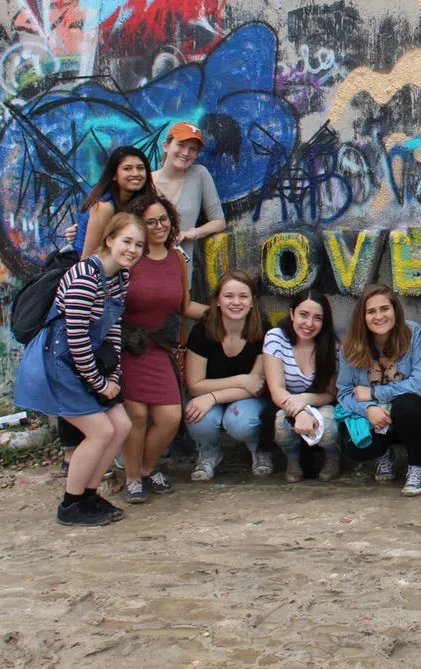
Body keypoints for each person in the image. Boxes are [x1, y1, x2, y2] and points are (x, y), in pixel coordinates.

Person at [13, 214, 145, 525]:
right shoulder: (85, 276)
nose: (133, 249)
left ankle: (88, 495)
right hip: (59, 362)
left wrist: (112, 375)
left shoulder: (120, 277)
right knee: (100, 431)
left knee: (121, 426)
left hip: (89, 362)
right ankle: (71, 505)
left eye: (139, 244)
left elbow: (112, 329)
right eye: (127, 241)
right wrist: (99, 384)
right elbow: (75, 340)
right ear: (109, 239)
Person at [58, 146, 154, 464]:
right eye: (127, 168)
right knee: (76, 362)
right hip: (85, 289)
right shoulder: (104, 207)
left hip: (105, 290)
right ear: (114, 172)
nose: (135, 174)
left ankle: (94, 452)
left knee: (99, 360)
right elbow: (86, 260)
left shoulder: (136, 205)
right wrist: (100, 298)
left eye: (140, 167)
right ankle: (74, 452)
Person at [116, 194, 207, 505]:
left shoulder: (176, 258)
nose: (158, 226)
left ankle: (146, 468)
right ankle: (131, 478)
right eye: (150, 221)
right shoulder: (129, 257)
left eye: (163, 219)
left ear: (172, 221)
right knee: (137, 415)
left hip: (158, 346)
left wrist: (221, 313)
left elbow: (184, 306)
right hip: (128, 345)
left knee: (170, 416)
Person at [336, 284, 421, 496]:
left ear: (395, 310)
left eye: (384, 309)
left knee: (409, 404)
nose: (379, 316)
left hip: (406, 415)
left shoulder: (412, 332)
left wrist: (374, 394)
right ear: (363, 316)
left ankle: (416, 468)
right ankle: (383, 454)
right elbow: (343, 393)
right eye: (371, 311)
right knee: (355, 448)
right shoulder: (350, 347)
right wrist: (369, 409)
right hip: (374, 417)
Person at [184, 270, 272, 482]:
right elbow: (194, 385)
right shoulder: (201, 332)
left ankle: (258, 449)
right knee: (199, 417)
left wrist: (212, 396)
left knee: (240, 422)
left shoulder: (263, 330)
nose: (236, 302)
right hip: (217, 393)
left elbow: (257, 386)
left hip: (249, 399)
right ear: (217, 302)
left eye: (243, 296)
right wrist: (241, 380)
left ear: (252, 302)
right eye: (228, 296)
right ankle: (208, 453)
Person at [264, 289, 341, 482]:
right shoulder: (276, 337)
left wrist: (305, 399)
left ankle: (332, 457)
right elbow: (276, 389)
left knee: (330, 426)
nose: (309, 324)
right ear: (291, 314)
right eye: (303, 315)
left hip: (320, 402)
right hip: (286, 403)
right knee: (281, 423)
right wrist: (299, 412)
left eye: (317, 318)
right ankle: (293, 460)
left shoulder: (332, 345)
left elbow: (331, 394)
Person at [149, 122, 226, 278]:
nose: (186, 153)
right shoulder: (146, 181)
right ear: (165, 146)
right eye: (180, 145)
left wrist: (191, 233)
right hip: (147, 267)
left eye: (193, 149)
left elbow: (219, 222)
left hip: (181, 270)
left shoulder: (199, 175)